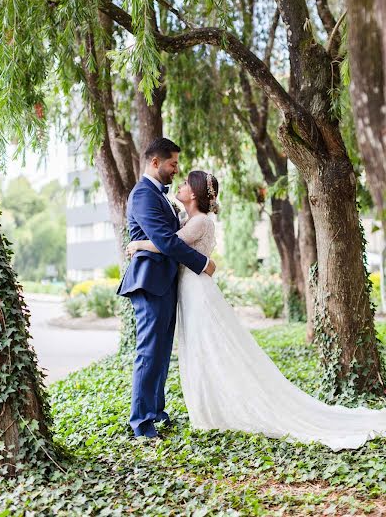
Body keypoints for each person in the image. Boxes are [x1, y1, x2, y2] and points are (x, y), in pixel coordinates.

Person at [127, 169, 386, 451]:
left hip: (197, 292)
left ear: (195, 193)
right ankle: (207, 404)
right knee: (201, 349)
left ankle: (219, 407)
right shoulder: (189, 219)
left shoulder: (199, 222)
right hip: (190, 290)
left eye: (187, 183)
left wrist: (138, 243)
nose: (180, 183)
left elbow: (168, 244)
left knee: (209, 348)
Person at [117, 138, 216, 439]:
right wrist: (202, 263)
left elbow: (172, 237)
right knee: (149, 352)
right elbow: (166, 241)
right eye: (172, 164)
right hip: (149, 282)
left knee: (160, 353)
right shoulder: (144, 194)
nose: (176, 169)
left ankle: (156, 411)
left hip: (165, 282)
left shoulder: (160, 196)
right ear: (155, 162)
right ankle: (141, 422)